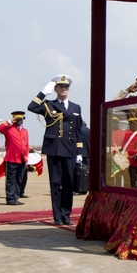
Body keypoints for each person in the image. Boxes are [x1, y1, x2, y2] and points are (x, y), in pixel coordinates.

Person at [28, 74, 84, 226]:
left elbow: (78, 130)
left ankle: (66, 214)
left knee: (69, 184)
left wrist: (80, 153)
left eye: (67, 87)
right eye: (61, 86)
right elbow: (31, 107)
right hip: (54, 149)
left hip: (70, 149)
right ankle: (57, 216)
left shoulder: (76, 107)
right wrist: (43, 93)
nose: (64, 89)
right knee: (55, 183)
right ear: (56, 89)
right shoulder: (49, 105)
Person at [0, 111, 30, 206]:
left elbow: (26, 145)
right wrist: (10, 121)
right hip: (12, 158)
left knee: (19, 179)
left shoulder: (25, 131)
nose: (19, 121)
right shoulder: (9, 129)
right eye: (17, 119)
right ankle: (10, 198)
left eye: (21, 119)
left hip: (22, 159)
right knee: (11, 180)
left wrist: (26, 158)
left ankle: (16, 197)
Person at [74, 120, 90, 195]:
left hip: (79, 153)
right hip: (87, 153)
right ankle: (86, 187)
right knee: (86, 172)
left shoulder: (77, 130)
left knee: (78, 172)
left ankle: (79, 188)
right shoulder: (88, 130)